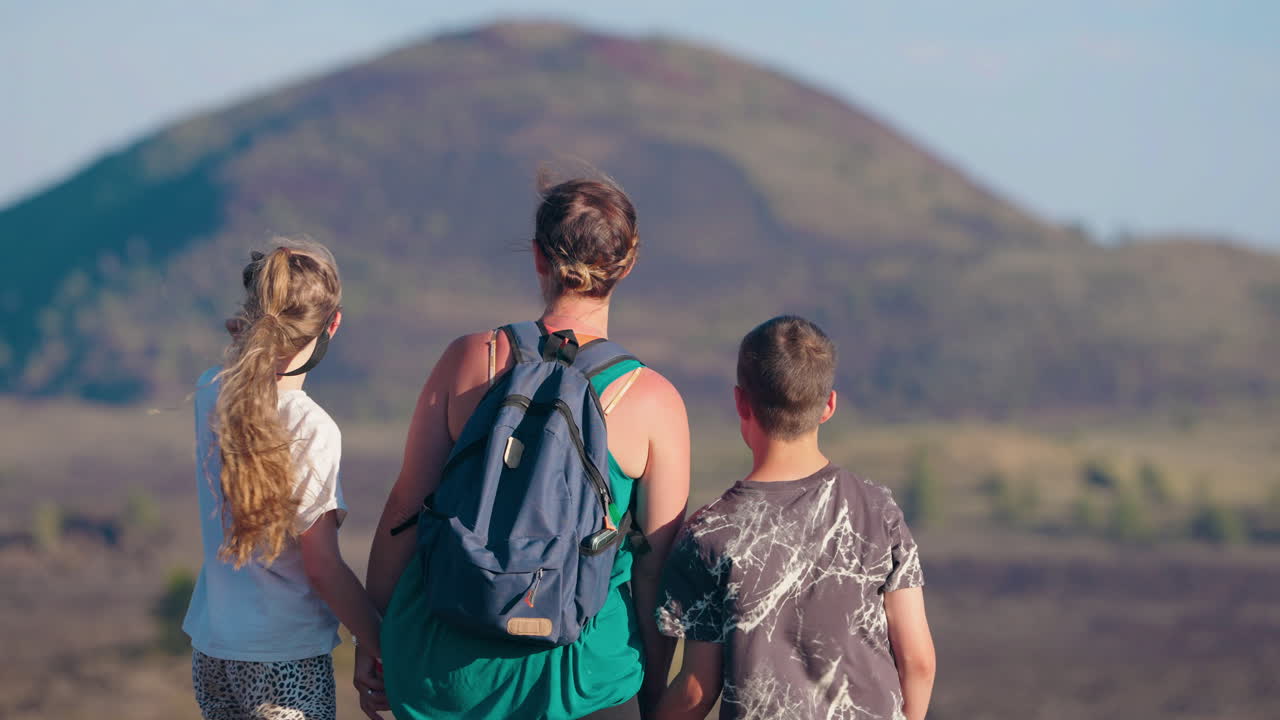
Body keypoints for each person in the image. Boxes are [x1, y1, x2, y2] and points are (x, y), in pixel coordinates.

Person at [366, 176, 691, 720]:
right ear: (628, 264)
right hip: (583, 680)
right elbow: (656, 568)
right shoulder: (652, 399)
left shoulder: (469, 359)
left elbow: (405, 507)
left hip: (443, 676)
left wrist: (374, 639)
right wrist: (652, 690)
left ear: (539, 256)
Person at [654, 316, 937, 720]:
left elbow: (697, 689)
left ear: (740, 402)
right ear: (829, 406)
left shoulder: (709, 534)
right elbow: (919, 662)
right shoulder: (878, 509)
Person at [183, 241, 384, 720]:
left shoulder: (212, 391)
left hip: (213, 651)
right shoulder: (311, 428)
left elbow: (238, 369)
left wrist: (248, 335)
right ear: (333, 323)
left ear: (250, 318)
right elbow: (322, 566)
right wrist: (381, 644)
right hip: (284, 660)